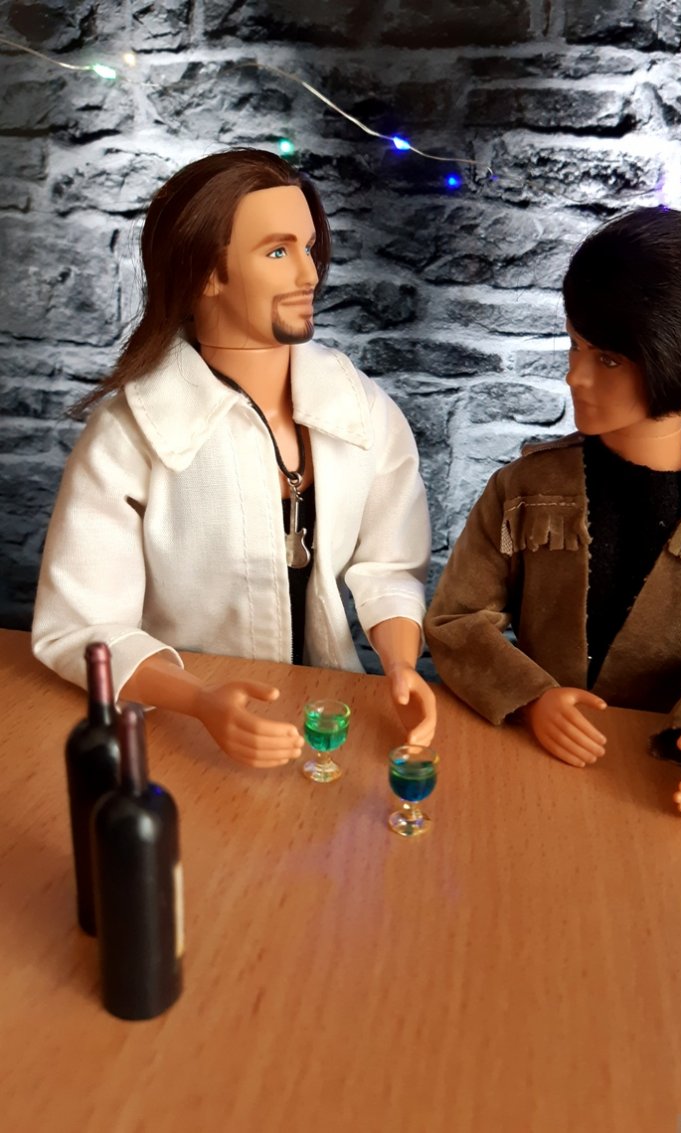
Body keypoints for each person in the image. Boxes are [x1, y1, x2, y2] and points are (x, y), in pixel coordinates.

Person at [33, 147, 435, 766]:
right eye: (277, 252)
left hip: (327, 711)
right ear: (206, 274)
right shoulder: (130, 434)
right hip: (181, 728)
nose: (309, 274)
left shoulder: (359, 409)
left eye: (308, 248)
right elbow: (82, 625)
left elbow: (389, 563)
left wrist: (401, 666)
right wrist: (199, 700)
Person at [425, 207, 681, 818]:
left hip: (654, 782)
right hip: (528, 769)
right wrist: (530, 696)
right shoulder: (525, 488)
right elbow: (457, 619)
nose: (574, 376)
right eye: (575, 345)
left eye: (608, 359)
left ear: (677, 357)